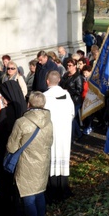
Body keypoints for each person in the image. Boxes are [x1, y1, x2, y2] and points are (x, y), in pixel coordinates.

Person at [7, 91, 53, 216]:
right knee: (39, 192)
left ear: (29, 104)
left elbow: (11, 146)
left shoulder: (21, 122)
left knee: (28, 195)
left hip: (26, 163)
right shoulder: (49, 121)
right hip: (43, 161)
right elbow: (50, 142)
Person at [0, 80, 27, 216]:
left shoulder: (5, 112)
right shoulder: (24, 109)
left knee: (6, 183)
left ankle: (6, 212)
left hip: (6, 153)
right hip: (22, 153)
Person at [43, 71, 74, 202]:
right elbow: (72, 113)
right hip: (64, 132)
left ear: (47, 81)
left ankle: (52, 190)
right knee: (62, 155)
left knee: (52, 156)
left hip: (51, 132)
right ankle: (63, 187)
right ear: (59, 80)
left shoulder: (44, 97)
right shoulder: (66, 95)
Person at [61, 57, 85, 140]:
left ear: (75, 66)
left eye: (70, 65)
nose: (68, 67)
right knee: (71, 118)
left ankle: (74, 135)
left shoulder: (78, 77)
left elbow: (79, 90)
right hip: (66, 100)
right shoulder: (65, 75)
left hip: (75, 100)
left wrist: (69, 91)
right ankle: (78, 133)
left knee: (71, 118)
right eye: (67, 65)